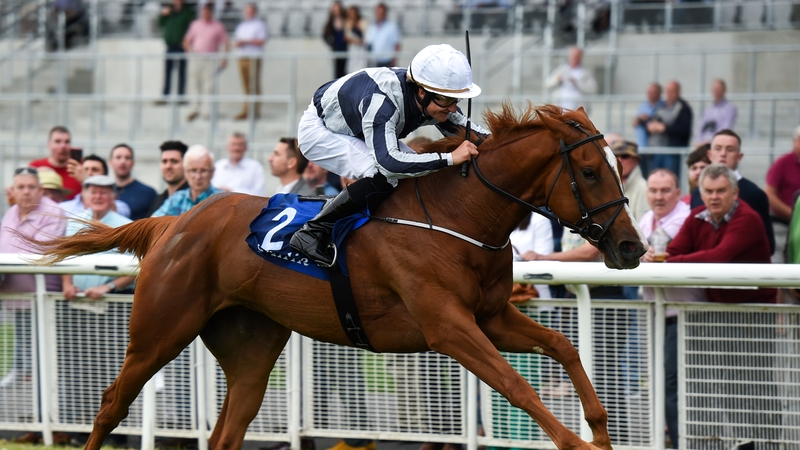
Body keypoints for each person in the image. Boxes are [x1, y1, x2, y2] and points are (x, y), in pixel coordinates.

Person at [289, 44, 486, 267]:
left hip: (361, 126)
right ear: (422, 92)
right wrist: (449, 158)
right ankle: (312, 231)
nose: (452, 109)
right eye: (446, 101)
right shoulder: (383, 102)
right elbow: (389, 164)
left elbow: (475, 135)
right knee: (384, 175)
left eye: (456, 101)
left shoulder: (433, 97)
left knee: (421, 174)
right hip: (322, 130)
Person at [0, 168, 68, 443]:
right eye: (21, 187)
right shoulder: (11, 213)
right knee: (32, 365)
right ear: (12, 191)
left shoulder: (53, 212)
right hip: (19, 303)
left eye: (31, 186)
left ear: (40, 190)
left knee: (49, 364)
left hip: (47, 303)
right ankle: (40, 422)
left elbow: (38, 252)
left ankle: (55, 425)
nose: (26, 191)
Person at [637, 168, 692, 448]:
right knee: (659, 379)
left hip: (682, 313)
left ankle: (682, 441)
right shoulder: (646, 217)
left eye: (665, 190)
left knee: (674, 382)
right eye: (654, 190)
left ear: (678, 194)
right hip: (656, 311)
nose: (658, 197)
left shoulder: (684, 217)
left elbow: (649, 250)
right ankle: (669, 436)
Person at [669, 164, 776, 303]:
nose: (714, 197)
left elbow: (718, 257)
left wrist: (668, 262)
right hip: (716, 307)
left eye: (721, 191)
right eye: (709, 191)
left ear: (735, 193)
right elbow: (672, 251)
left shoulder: (748, 218)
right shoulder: (696, 216)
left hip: (755, 309)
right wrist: (660, 258)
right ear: (701, 194)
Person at [690, 129, 775, 255]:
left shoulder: (755, 194)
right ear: (709, 154)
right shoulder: (697, 192)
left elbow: (769, 244)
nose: (723, 154)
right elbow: (691, 235)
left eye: (730, 149)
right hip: (702, 266)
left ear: (739, 156)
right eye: (718, 148)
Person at [62, 175, 136, 300]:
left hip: (113, 299)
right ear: (85, 195)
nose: (98, 196)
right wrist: (67, 284)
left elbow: (136, 267)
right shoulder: (74, 222)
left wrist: (109, 287)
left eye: (103, 193)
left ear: (113, 197)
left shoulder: (127, 227)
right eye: (93, 192)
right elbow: (65, 256)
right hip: (77, 297)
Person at [183, 3, 229, 122]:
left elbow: (225, 43)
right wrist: (190, 54)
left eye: (207, 12)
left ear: (211, 13)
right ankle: (194, 109)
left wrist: (224, 59)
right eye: (203, 12)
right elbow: (187, 40)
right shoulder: (195, 25)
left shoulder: (218, 26)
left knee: (209, 86)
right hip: (197, 57)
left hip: (211, 58)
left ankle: (206, 111)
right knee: (195, 84)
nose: (205, 14)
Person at [152, 145, 223, 217]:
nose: (198, 177)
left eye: (203, 170)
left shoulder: (222, 200)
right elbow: (153, 221)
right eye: (193, 170)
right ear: (185, 172)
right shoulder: (177, 198)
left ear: (212, 172)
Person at [765, 125, 800, 263]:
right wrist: (791, 213)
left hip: (796, 220)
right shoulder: (783, 163)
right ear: (795, 141)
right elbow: (769, 193)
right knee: (779, 255)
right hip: (781, 220)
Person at [59, 154, 131, 218]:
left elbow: (113, 215)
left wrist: (87, 180)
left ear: (106, 177)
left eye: (95, 170)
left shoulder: (121, 206)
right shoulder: (63, 208)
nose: (89, 173)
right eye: (85, 170)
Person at [646, 80, 693, 178]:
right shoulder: (661, 106)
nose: (670, 94)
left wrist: (664, 128)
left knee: (670, 178)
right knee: (656, 178)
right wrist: (649, 125)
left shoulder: (684, 108)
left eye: (673, 91)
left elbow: (684, 130)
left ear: (678, 92)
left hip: (673, 151)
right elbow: (652, 120)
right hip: (659, 149)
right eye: (668, 91)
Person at [232, 3, 267, 120]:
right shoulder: (242, 26)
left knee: (254, 84)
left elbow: (261, 40)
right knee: (246, 84)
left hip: (253, 57)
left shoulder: (259, 25)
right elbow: (237, 40)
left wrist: (246, 42)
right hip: (243, 56)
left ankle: (255, 110)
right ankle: (247, 109)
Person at [29, 125, 81, 200]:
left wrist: (85, 179)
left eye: (67, 142)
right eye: (58, 141)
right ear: (49, 145)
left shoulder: (80, 168)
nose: (63, 146)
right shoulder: (35, 167)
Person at [157, 0, 194, 103]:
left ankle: (181, 97)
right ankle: (165, 96)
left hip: (181, 46)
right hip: (170, 46)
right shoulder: (170, 11)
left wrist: (187, 41)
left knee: (182, 72)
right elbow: (160, 23)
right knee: (168, 72)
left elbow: (192, 28)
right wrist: (163, 14)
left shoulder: (187, 12)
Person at [109, 144, 157, 221]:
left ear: (133, 163)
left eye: (127, 158)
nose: (123, 161)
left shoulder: (148, 193)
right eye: (118, 157)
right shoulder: (102, 193)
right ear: (110, 162)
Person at [544, 46, 598, 111]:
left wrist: (577, 83)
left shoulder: (584, 73)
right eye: (572, 56)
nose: (574, 58)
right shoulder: (561, 69)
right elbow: (547, 84)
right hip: (560, 108)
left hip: (577, 109)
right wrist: (558, 79)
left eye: (577, 56)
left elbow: (592, 89)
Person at [146, 140, 189, 217]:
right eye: (164, 161)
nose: (168, 166)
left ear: (186, 165)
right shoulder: (157, 200)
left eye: (174, 161)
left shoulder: (193, 197)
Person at [611, 140, 649, 223]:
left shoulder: (645, 189)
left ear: (636, 160)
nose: (619, 160)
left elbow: (643, 229)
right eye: (615, 156)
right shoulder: (604, 187)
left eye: (625, 156)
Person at [695, 79, 737, 144]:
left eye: (719, 89)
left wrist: (711, 140)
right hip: (704, 144)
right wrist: (699, 141)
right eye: (715, 89)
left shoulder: (730, 108)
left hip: (718, 144)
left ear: (724, 91)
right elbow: (701, 126)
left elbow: (726, 128)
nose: (716, 91)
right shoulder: (708, 109)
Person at [365, 3, 401, 67]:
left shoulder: (392, 27)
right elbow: (369, 44)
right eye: (378, 12)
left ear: (385, 13)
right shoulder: (372, 28)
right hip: (374, 61)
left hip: (387, 61)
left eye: (382, 12)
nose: (380, 14)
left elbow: (397, 45)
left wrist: (394, 60)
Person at [632, 82, 664, 149]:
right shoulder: (643, 106)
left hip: (656, 146)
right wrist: (640, 119)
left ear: (659, 93)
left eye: (653, 92)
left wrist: (649, 119)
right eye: (649, 92)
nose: (651, 94)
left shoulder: (663, 106)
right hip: (641, 144)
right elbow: (634, 123)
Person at [323, 1, 348, 79]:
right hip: (337, 49)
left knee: (346, 71)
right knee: (337, 72)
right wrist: (332, 43)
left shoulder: (345, 20)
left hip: (346, 49)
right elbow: (325, 35)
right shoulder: (331, 22)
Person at [344, 5, 367, 74]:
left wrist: (354, 40)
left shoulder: (362, 22)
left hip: (361, 51)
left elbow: (364, 39)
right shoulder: (348, 23)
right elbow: (347, 38)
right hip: (352, 52)